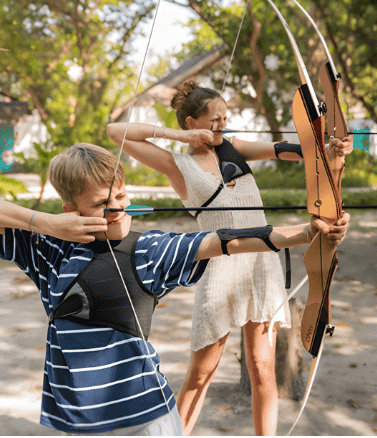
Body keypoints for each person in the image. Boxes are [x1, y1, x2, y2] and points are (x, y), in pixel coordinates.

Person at [0, 142, 350, 436]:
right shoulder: (49, 251)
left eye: (121, 195)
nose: (119, 208)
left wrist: (305, 233)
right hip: (72, 417)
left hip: (147, 416)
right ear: (71, 209)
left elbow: (226, 240)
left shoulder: (148, 250)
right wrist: (47, 225)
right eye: (102, 203)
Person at [105, 81, 352, 435]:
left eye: (226, 116)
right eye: (215, 118)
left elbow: (295, 151)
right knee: (201, 373)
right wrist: (177, 137)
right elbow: (116, 132)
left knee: (262, 367)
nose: (223, 123)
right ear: (192, 121)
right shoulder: (178, 165)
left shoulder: (234, 148)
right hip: (218, 264)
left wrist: (331, 147)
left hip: (261, 264)